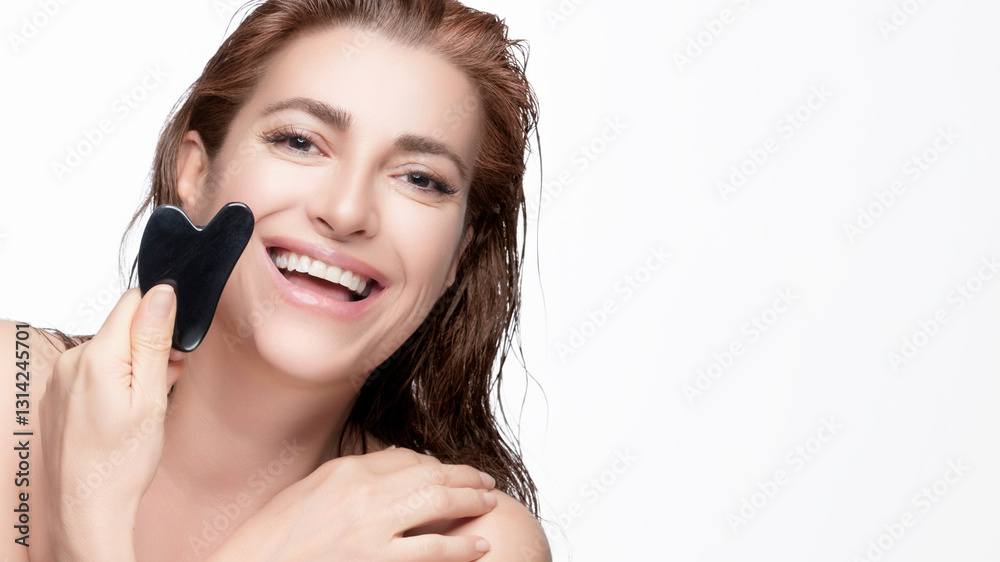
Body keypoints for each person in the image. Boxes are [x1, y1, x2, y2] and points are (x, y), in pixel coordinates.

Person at [2, 0, 550, 559]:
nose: (346, 211)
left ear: (459, 251)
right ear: (196, 173)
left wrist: (87, 524)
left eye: (420, 179)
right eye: (300, 141)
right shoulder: (11, 390)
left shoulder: (464, 539)